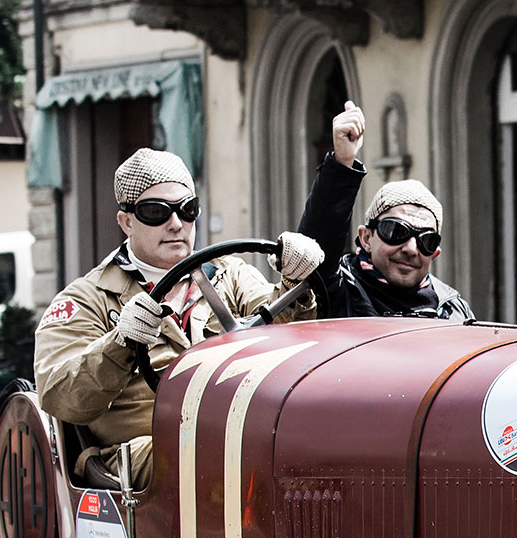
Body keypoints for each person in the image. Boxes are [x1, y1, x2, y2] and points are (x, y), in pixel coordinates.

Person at [34, 147, 325, 488]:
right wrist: (121, 343)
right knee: (211, 453)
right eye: (155, 212)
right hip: (143, 456)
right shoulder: (88, 298)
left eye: (188, 210)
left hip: (243, 430)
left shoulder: (229, 275)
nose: (176, 224)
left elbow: (291, 339)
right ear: (126, 221)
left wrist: (295, 282)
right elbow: (59, 396)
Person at [297, 100, 474, 321]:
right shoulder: (337, 292)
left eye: (426, 241)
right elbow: (312, 253)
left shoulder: (454, 310)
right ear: (366, 238)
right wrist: (342, 162)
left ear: (435, 254)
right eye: (396, 231)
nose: (411, 249)